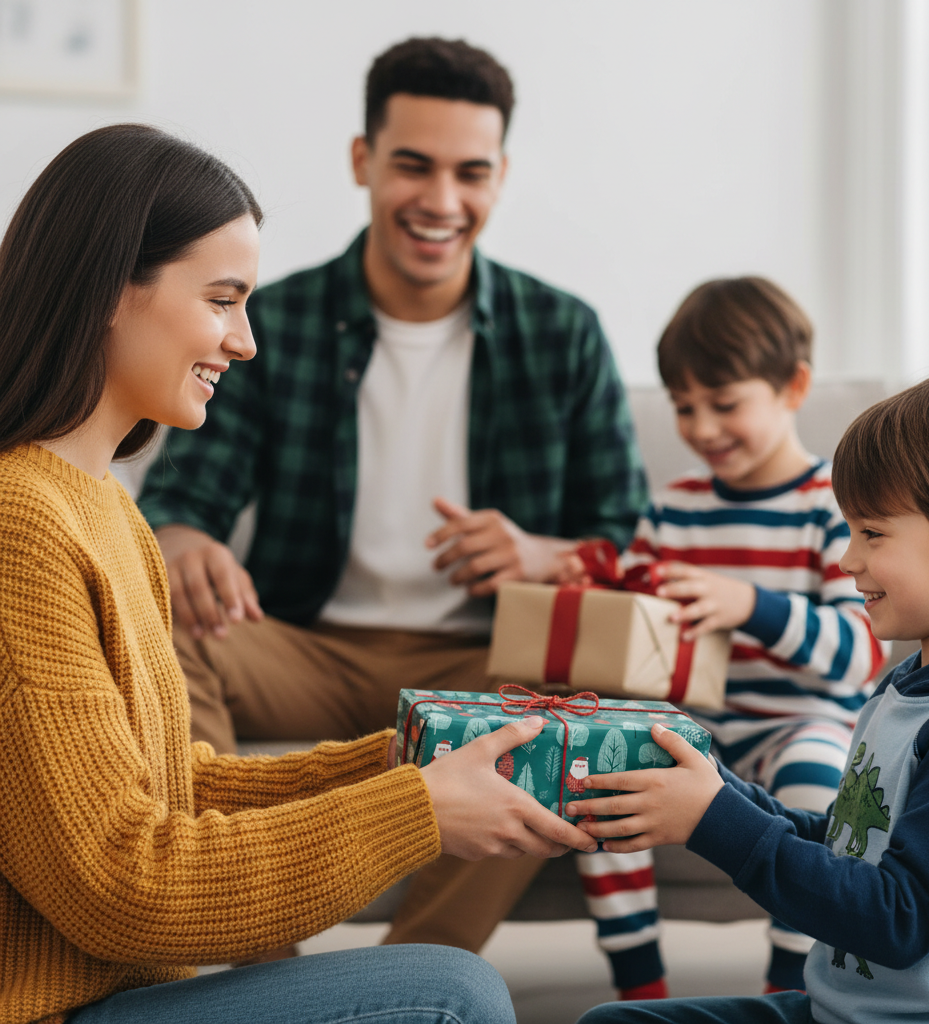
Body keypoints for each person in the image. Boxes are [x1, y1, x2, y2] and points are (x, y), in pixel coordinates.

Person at [0, 122, 598, 1024]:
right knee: (451, 994)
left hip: (120, 993)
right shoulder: (21, 525)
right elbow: (119, 884)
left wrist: (401, 762)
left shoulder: (102, 505)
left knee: (449, 980)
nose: (244, 341)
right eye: (222, 300)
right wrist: (414, 810)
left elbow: (172, 786)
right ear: (114, 289)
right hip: (51, 1008)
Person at [135, 36, 647, 957]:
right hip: (310, 652)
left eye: (470, 173)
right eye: (413, 164)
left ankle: (414, 978)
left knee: (582, 688)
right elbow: (183, 497)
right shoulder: (271, 319)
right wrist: (182, 538)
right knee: (162, 620)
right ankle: (256, 969)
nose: (441, 201)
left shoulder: (562, 332)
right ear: (364, 160)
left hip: (485, 662)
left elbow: (625, 538)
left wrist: (540, 554)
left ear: (500, 177)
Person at [571, 370, 929, 1024]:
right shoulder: (907, 686)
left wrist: (715, 822)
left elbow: (900, 919)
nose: (846, 560)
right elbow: (850, 846)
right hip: (846, 1007)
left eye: (872, 534)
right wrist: (718, 795)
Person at [561, 278, 887, 998]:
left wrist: (749, 605)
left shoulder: (834, 508)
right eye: (684, 407)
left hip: (798, 722)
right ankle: (640, 987)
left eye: (725, 403)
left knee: (816, 775)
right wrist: (600, 588)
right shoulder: (674, 508)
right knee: (604, 774)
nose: (703, 427)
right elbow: (635, 625)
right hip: (696, 723)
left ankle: (785, 988)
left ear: (793, 386)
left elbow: (858, 654)